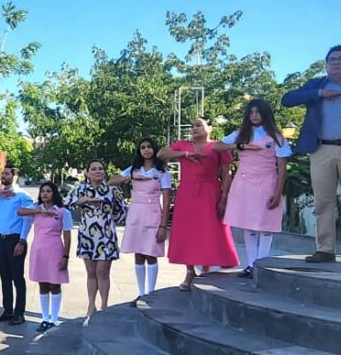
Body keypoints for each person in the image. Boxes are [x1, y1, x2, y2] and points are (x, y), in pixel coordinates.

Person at [282, 45, 341, 265]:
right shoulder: (316, 84)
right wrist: (319, 94)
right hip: (321, 149)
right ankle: (325, 250)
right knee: (323, 201)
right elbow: (287, 99)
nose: (336, 62)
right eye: (331, 59)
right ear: (326, 65)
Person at [158, 117, 239, 290]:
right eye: (193, 126)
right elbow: (161, 154)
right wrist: (185, 154)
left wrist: (224, 198)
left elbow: (226, 174)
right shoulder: (183, 145)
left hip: (210, 191)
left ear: (209, 128)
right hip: (187, 192)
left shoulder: (217, 146)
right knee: (187, 232)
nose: (195, 128)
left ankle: (205, 270)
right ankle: (189, 271)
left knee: (208, 230)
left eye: (199, 125)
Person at [214, 99, 292, 278]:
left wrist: (278, 192)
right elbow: (217, 146)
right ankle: (250, 264)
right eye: (251, 112)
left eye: (258, 112)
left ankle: (261, 265)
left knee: (265, 225)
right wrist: (239, 145)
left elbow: (282, 167)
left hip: (267, 181)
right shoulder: (241, 134)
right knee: (248, 225)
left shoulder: (276, 137)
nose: (255, 115)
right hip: (244, 183)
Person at [108, 138, 171, 302]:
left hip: (153, 212)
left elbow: (166, 200)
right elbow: (112, 181)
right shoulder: (133, 170)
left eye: (149, 147)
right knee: (138, 253)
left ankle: (151, 292)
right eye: (143, 147)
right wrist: (127, 178)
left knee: (151, 253)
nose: (146, 150)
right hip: (136, 212)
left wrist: (163, 225)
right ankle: (141, 293)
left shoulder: (162, 172)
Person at [66, 160, 126, 319]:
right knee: (91, 272)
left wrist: (107, 220)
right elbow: (67, 204)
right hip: (87, 236)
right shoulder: (80, 189)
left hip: (106, 236)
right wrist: (82, 201)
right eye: (93, 169)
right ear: (87, 172)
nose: (98, 171)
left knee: (102, 272)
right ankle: (91, 305)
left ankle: (104, 305)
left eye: (100, 168)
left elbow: (122, 212)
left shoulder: (113, 190)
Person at [0, 166, 35, 325]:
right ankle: (7, 310)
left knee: (17, 277)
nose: (3, 176)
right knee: (5, 277)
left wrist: (22, 241)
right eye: (2, 173)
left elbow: (28, 219)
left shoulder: (23, 195)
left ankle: (19, 313)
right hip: (1, 239)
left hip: (15, 240)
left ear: (15, 177)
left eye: (7, 174)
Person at [20, 182, 72, 333]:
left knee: (55, 284)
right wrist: (38, 210)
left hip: (55, 250)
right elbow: (19, 212)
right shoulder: (36, 210)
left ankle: (54, 319)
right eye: (42, 191)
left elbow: (67, 236)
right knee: (42, 284)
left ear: (54, 193)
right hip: (38, 250)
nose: (45, 194)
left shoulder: (62, 212)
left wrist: (66, 256)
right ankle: (45, 318)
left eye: (48, 191)